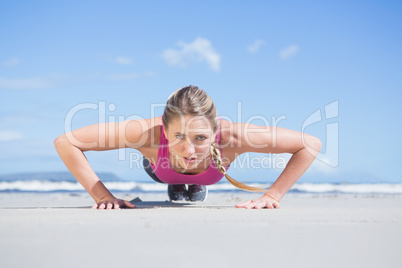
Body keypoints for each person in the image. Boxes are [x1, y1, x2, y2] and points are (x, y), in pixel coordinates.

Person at [54, 85, 322, 210]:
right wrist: (102, 196)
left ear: (215, 133)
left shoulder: (234, 137)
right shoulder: (147, 133)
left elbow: (310, 144)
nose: (189, 150)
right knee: (165, 170)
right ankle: (177, 183)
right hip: (158, 168)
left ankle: (195, 184)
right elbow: (66, 142)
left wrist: (272, 196)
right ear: (164, 129)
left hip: (211, 170)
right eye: (178, 136)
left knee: (193, 167)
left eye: (201, 138)